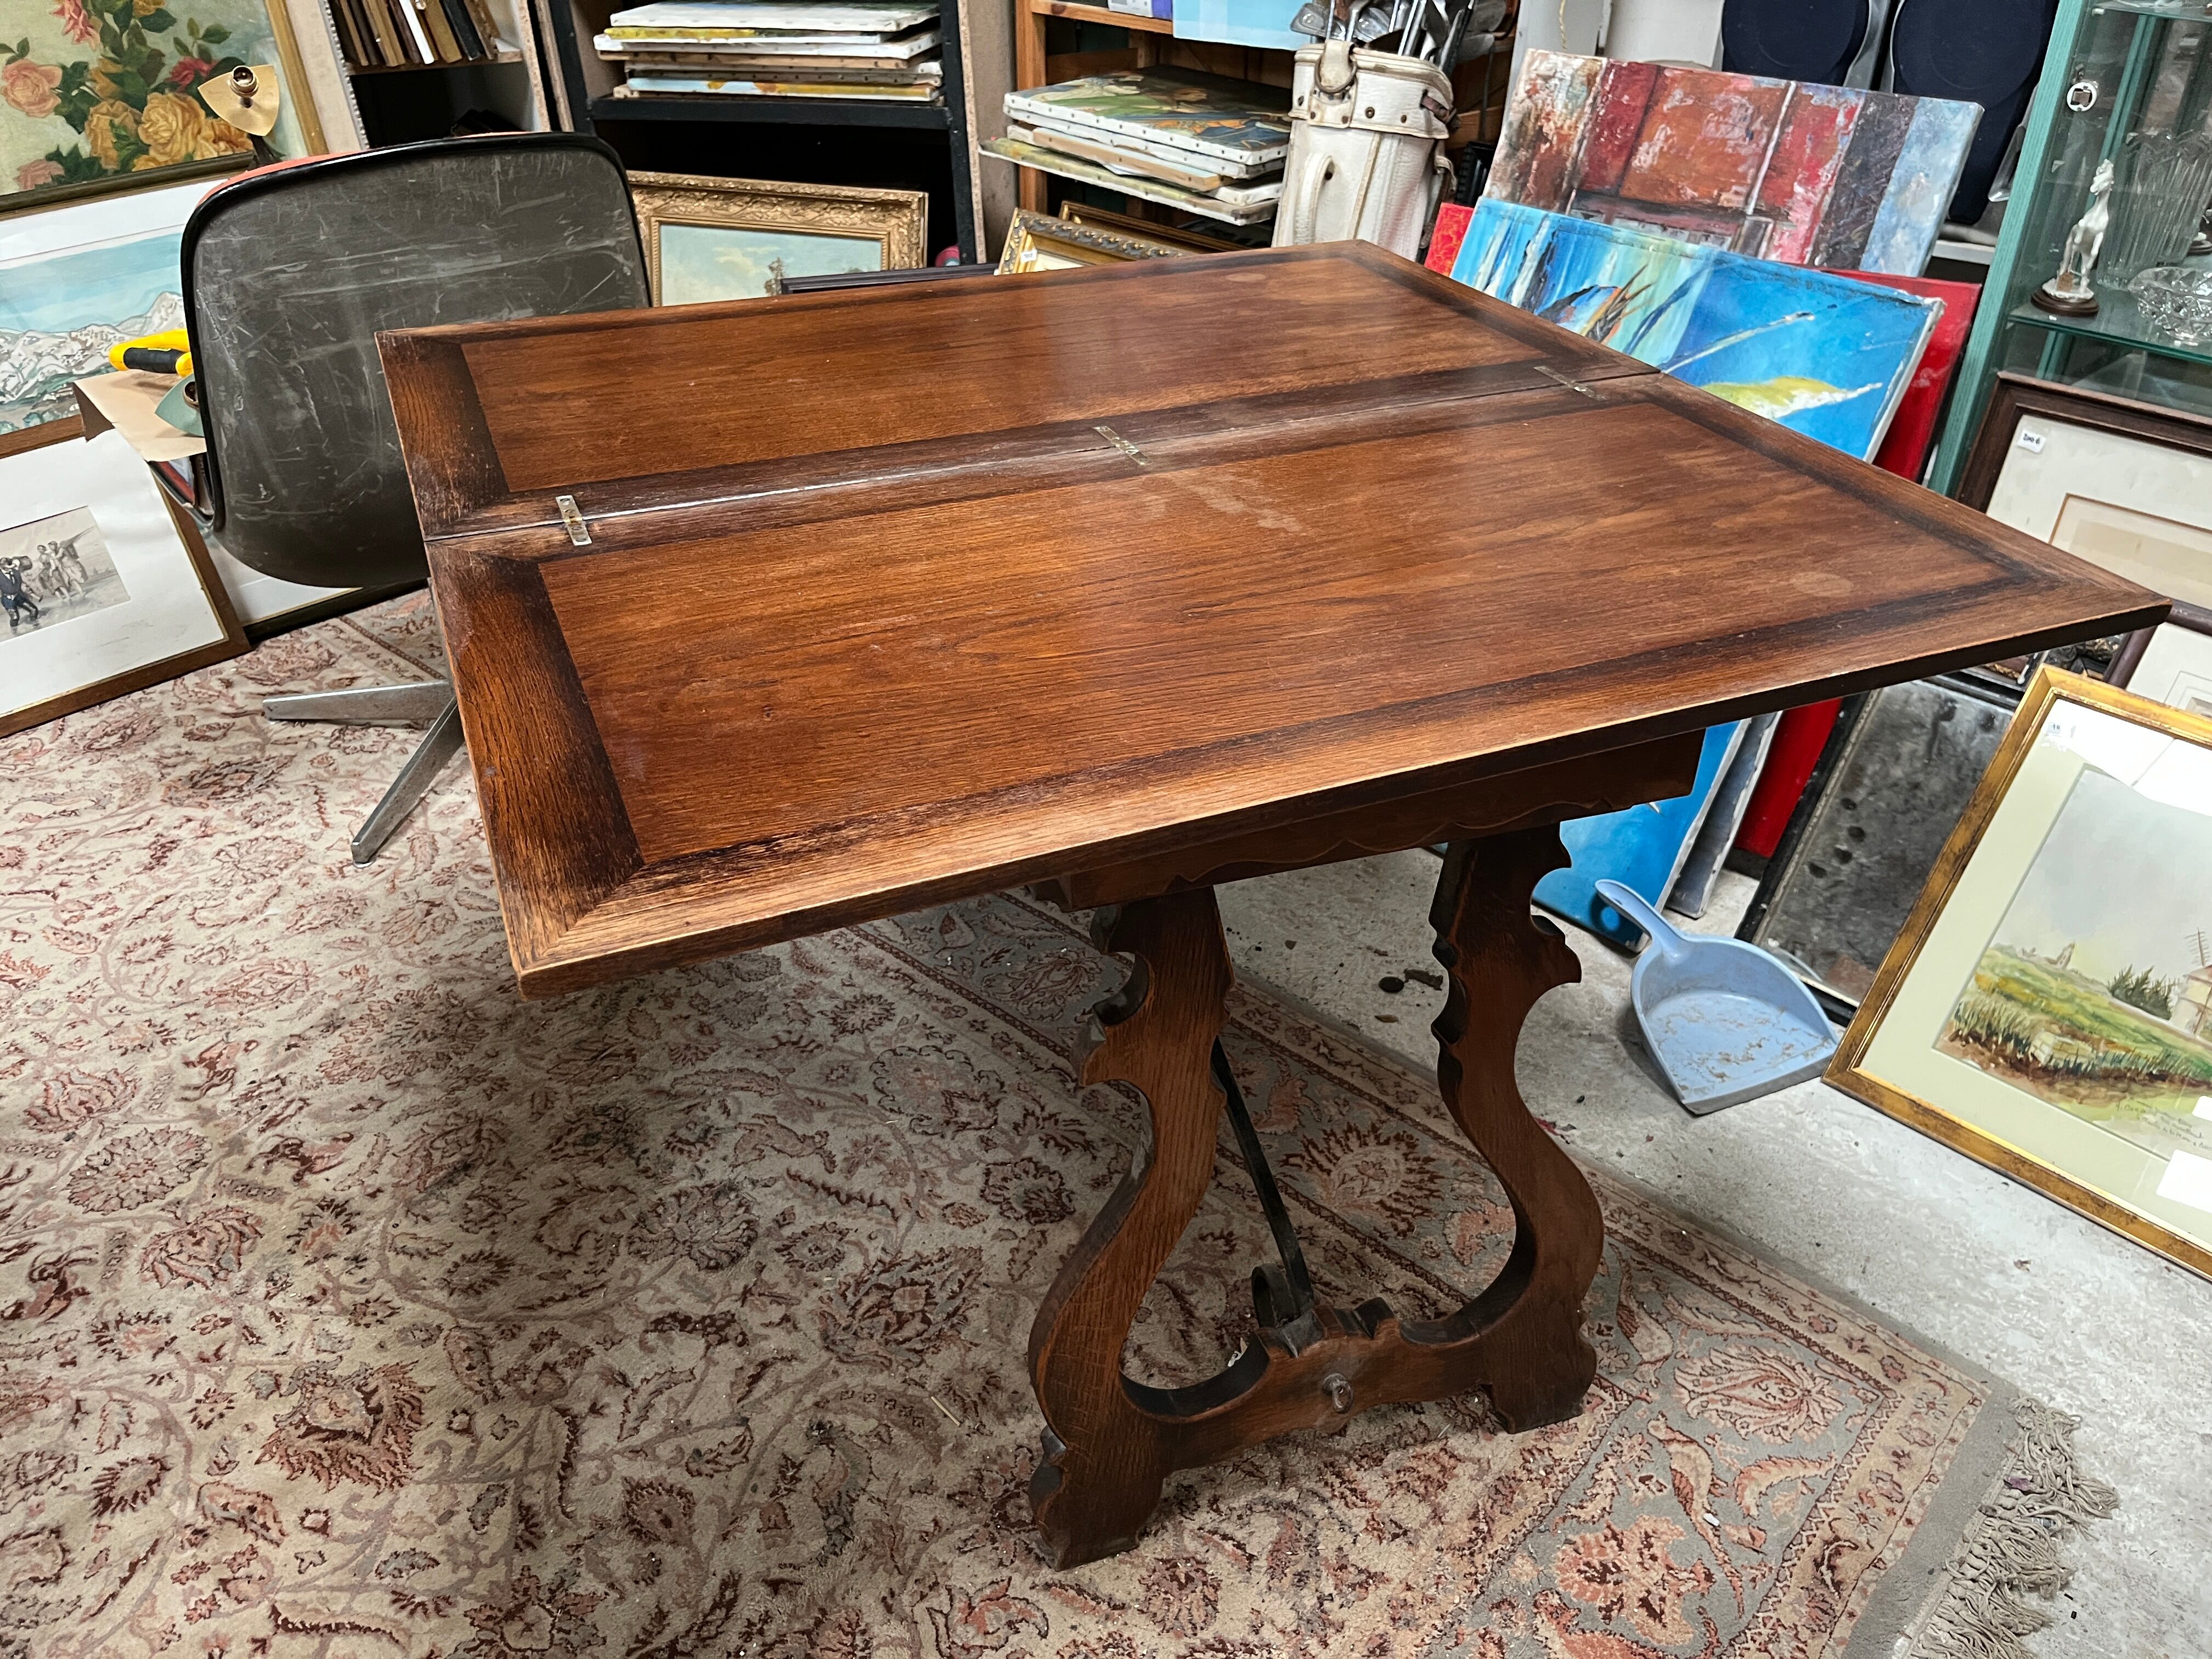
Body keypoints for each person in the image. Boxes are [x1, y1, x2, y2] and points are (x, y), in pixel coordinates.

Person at [0, 557, 38, 632]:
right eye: (2, 565)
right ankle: (15, 633)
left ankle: (36, 628)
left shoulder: (15, 571)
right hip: (8, 599)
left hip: (18, 596)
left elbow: (20, 582)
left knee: (34, 610)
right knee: (15, 618)